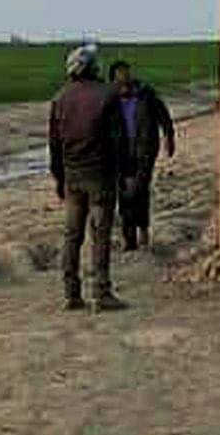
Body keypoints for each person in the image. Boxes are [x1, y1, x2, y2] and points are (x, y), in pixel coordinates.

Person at [48, 45, 127, 312]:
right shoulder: (108, 95)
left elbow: (54, 144)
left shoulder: (60, 98)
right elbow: (119, 140)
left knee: (72, 235)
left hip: (72, 175)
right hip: (101, 175)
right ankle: (101, 294)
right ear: (94, 68)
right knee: (100, 234)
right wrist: (125, 172)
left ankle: (71, 294)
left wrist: (59, 178)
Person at [108, 59, 175, 251]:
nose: (125, 76)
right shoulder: (110, 100)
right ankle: (129, 240)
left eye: (127, 72)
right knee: (124, 196)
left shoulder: (146, 94)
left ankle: (143, 229)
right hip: (120, 154)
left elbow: (164, 117)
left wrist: (169, 138)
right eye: (120, 74)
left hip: (145, 151)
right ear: (113, 79)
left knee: (139, 190)